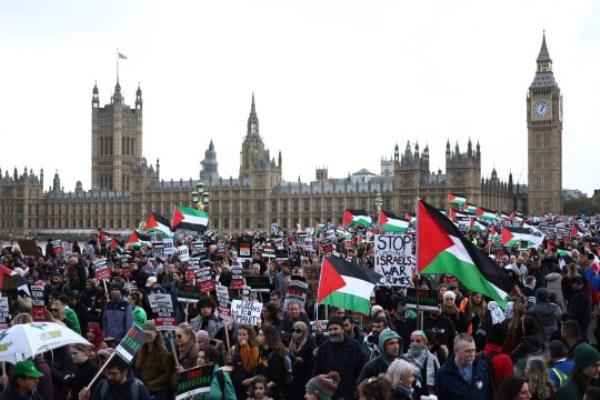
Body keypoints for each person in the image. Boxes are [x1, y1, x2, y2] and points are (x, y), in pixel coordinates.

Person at [312, 317, 368, 400]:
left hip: (349, 393)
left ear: (342, 330)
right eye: (330, 330)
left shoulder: (354, 346)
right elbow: (317, 371)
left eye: (335, 329)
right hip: (329, 394)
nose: (332, 332)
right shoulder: (324, 348)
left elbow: (363, 368)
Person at [434, 333, 494, 400]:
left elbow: (491, 394)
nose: (472, 354)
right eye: (468, 351)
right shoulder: (443, 373)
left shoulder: (483, 367)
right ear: (456, 351)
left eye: (474, 350)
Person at [132, 320, 173, 400]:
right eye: (145, 333)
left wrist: (151, 384)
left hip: (157, 392)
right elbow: (134, 367)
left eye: (149, 332)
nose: (147, 335)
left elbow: (166, 374)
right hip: (141, 390)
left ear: (156, 333)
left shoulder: (163, 351)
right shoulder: (139, 349)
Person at [79, 356, 151, 400]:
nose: (109, 377)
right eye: (107, 373)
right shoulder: (103, 386)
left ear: (124, 372)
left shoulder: (138, 388)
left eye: (114, 373)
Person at [401, 330, 439, 399]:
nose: (414, 343)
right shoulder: (404, 358)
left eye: (418, 341)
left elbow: (436, 381)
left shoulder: (431, 359)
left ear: (425, 342)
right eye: (412, 341)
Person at [255, 325, 289, 400]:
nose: (257, 337)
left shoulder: (276, 355)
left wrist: (262, 389)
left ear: (268, 337)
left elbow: (277, 379)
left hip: (275, 394)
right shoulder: (262, 352)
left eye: (261, 335)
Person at [231, 324, 260, 400]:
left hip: (247, 385)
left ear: (249, 335)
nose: (241, 337)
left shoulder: (254, 348)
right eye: (239, 334)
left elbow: (249, 368)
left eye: (244, 334)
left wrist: (245, 347)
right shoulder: (236, 348)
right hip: (236, 384)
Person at [288, 321, 316, 400]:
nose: (295, 333)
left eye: (298, 331)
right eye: (293, 330)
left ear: (304, 332)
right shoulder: (291, 342)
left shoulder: (310, 344)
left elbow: (314, 362)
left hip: (306, 379)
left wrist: (303, 361)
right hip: (294, 378)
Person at [567, 276, 592, 340]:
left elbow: (577, 312)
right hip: (583, 323)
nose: (571, 286)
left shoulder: (581, 295)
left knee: (580, 340)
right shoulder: (584, 293)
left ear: (576, 284)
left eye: (572, 284)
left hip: (580, 324)